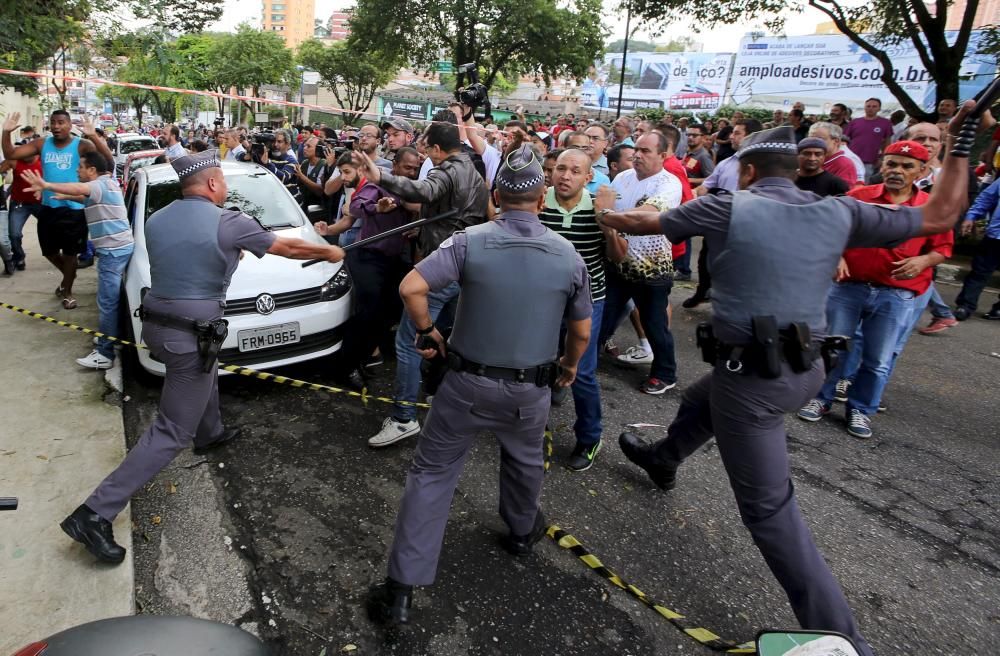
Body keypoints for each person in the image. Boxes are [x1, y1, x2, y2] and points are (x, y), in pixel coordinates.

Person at [598, 106, 977, 656]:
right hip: (808, 369)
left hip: (752, 381)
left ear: (748, 171)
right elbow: (942, 215)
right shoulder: (839, 210)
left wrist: (606, 212)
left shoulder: (729, 206)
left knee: (770, 512)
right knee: (704, 399)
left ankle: (841, 636)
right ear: (792, 169)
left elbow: (642, 224)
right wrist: (961, 147)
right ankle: (664, 457)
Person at [58, 150, 346, 564]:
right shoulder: (229, 221)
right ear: (212, 184)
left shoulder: (157, 220)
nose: (225, 188)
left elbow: (187, 257)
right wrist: (330, 253)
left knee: (199, 370)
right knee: (172, 429)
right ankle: (95, 513)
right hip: (191, 333)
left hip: (160, 325)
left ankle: (209, 432)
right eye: (223, 182)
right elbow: (287, 247)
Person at [365, 144, 591, 626]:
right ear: (543, 195)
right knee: (525, 461)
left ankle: (401, 591)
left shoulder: (471, 240)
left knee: (432, 475)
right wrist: (569, 367)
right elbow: (582, 331)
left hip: (466, 384)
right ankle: (521, 532)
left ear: (496, 194)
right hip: (530, 389)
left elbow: (411, 288)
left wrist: (427, 332)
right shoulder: (567, 254)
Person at [797, 140, 951, 439]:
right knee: (832, 348)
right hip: (848, 288)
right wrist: (837, 254)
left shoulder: (930, 208)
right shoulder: (859, 197)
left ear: (921, 170)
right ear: (882, 165)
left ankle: (861, 409)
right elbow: (831, 231)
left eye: (907, 166)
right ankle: (820, 399)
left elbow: (942, 248)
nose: (897, 171)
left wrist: (923, 260)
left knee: (878, 359)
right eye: (892, 164)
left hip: (896, 294)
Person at [353, 121, 490, 448]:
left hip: (441, 269)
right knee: (449, 338)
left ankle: (403, 418)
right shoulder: (474, 170)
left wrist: (381, 177)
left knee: (408, 341)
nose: (426, 154)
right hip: (464, 264)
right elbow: (463, 216)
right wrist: (427, 229)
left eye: (428, 148)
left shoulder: (448, 170)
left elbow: (426, 191)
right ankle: (443, 396)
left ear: (439, 150)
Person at [539, 148, 617, 471]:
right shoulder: (541, 203)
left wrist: (607, 222)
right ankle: (534, 427)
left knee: (582, 370)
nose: (565, 176)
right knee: (539, 362)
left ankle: (589, 437)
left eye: (574, 171)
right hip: (545, 299)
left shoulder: (598, 207)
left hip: (589, 298)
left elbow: (618, 256)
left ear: (589, 177)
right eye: (560, 168)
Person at [21, 152, 135, 370]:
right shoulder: (108, 184)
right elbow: (85, 196)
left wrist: (46, 184)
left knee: (107, 304)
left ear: (92, 170)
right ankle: (109, 338)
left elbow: (82, 189)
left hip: (112, 253)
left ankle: (105, 354)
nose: (77, 171)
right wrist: (67, 197)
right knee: (112, 301)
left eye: (80, 168)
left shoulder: (98, 185)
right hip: (119, 248)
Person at [596, 132, 682, 400]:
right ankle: (584, 361)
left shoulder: (669, 184)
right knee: (602, 315)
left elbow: (646, 216)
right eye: (636, 150)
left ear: (662, 156)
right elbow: (605, 208)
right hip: (617, 263)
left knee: (654, 324)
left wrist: (607, 215)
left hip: (651, 269)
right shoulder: (622, 177)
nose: (637, 155)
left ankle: (665, 373)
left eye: (645, 151)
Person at [1, 110, 114, 309]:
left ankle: (67, 291)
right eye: (53, 122)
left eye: (61, 122)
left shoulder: (81, 145)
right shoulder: (42, 144)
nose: (56, 126)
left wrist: (94, 136)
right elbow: (11, 154)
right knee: (49, 252)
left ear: (70, 125)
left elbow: (108, 163)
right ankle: (69, 275)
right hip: (47, 207)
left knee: (70, 254)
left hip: (74, 208)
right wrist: (6, 132)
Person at [333, 147, 422, 386]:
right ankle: (347, 365)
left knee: (392, 309)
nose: (411, 173)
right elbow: (356, 206)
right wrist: (377, 208)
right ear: (395, 166)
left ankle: (365, 356)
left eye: (415, 169)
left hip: (392, 260)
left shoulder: (413, 190)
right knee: (367, 311)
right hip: (367, 257)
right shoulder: (379, 184)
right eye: (407, 168)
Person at [683, 119, 764, 310]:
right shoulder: (727, 162)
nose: (731, 137)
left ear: (751, 136)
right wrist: (690, 196)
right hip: (719, 222)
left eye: (737, 133)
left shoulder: (762, 165)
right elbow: (708, 185)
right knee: (706, 259)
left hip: (746, 224)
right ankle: (703, 291)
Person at [953, 176, 1000, 321]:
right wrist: (971, 217)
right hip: (995, 237)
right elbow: (986, 198)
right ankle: (965, 306)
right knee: (979, 272)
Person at [0, 138, 42, 272]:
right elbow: (1, 170)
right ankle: (19, 257)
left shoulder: (44, 160)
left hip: (41, 203)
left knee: (55, 229)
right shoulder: (14, 160)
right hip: (19, 204)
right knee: (14, 234)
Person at [844, 98, 893, 181]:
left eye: (874, 106)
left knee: (864, 184)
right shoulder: (855, 122)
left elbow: (887, 143)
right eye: (868, 106)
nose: (871, 108)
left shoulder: (885, 123)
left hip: (870, 161)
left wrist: (883, 159)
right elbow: (844, 140)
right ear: (865, 107)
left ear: (879, 108)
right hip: (851, 159)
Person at [808, 121, 861, 188]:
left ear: (836, 141)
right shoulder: (808, 158)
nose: (813, 142)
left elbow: (842, 194)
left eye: (820, 139)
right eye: (810, 138)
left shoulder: (845, 164)